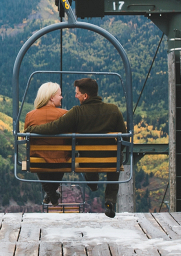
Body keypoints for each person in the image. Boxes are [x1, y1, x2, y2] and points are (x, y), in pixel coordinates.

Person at [24, 78, 126, 218]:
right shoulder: (113, 110)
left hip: (87, 161)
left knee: (86, 161)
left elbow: (55, 127)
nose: (75, 96)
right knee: (115, 160)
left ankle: (92, 183)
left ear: (85, 96)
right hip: (111, 160)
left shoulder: (77, 112)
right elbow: (125, 137)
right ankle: (110, 200)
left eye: (77, 93)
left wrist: (32, 130)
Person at [23, 82, 68, 206]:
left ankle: (51, 193)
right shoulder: (65, 114)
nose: (62, 97)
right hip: (61, 160)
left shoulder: (30, 116)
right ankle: (52, 193)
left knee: (38, 157)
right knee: (60, 156)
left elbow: (28, 140)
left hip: (38, 160)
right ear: (52, 97)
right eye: (60, 95)